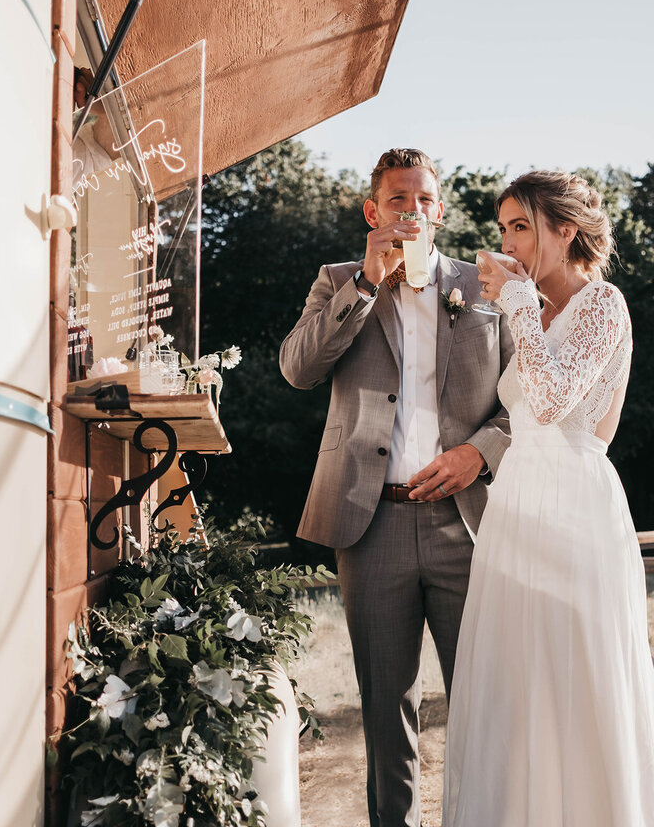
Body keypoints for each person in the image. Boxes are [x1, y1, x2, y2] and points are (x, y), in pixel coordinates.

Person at [279, 148, 514, 827]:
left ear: (441, 210)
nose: (413, 212)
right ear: (373, 210)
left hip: (466, 524)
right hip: (371, 523)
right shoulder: (337, 280)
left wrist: (480, 451)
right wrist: (364, 282)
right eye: (399, 199)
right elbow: (298, 368)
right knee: (387, 708)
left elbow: (527, 401)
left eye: (425, 200)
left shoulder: (483, 285)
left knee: (482, 702)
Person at [442, 171, 654, 826]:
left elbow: (557, 401)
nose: (507, 240)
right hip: (517, 506)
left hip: (576, 505)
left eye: (521, 225)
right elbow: (521, 402)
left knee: (575, 676)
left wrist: (519, 305)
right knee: (519, 683)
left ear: (566, 230)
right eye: (504, 226)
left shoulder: (603, 303)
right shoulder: (530, 309)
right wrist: (521, 307)